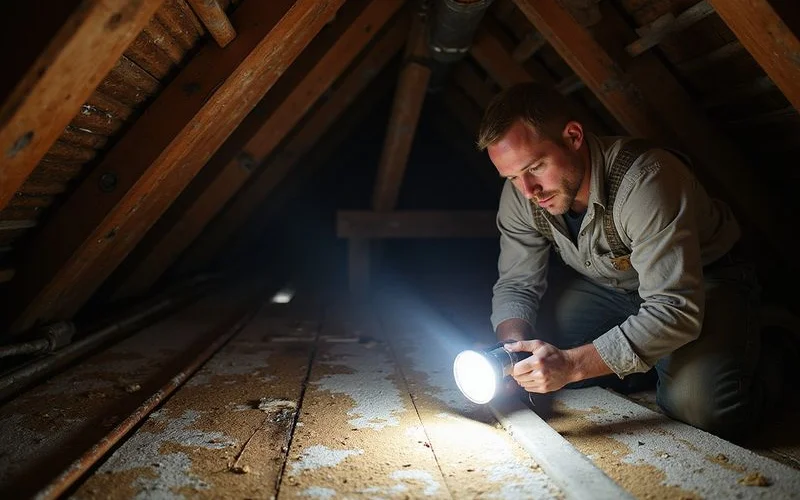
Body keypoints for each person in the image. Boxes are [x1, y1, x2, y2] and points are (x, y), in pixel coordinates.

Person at [476, 82, 769, 441]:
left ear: (573, 136)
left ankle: (771, 347)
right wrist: (512, 356)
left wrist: (572, 366)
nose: (527, 191)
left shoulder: (647, 179)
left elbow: (673, 308)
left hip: (702, 283)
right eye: (511, 177)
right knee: (543, 346)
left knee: (700, 405)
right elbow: (517, 284)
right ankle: (656, 362)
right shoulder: (522, 193)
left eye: (536, 167)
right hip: (614, 288)